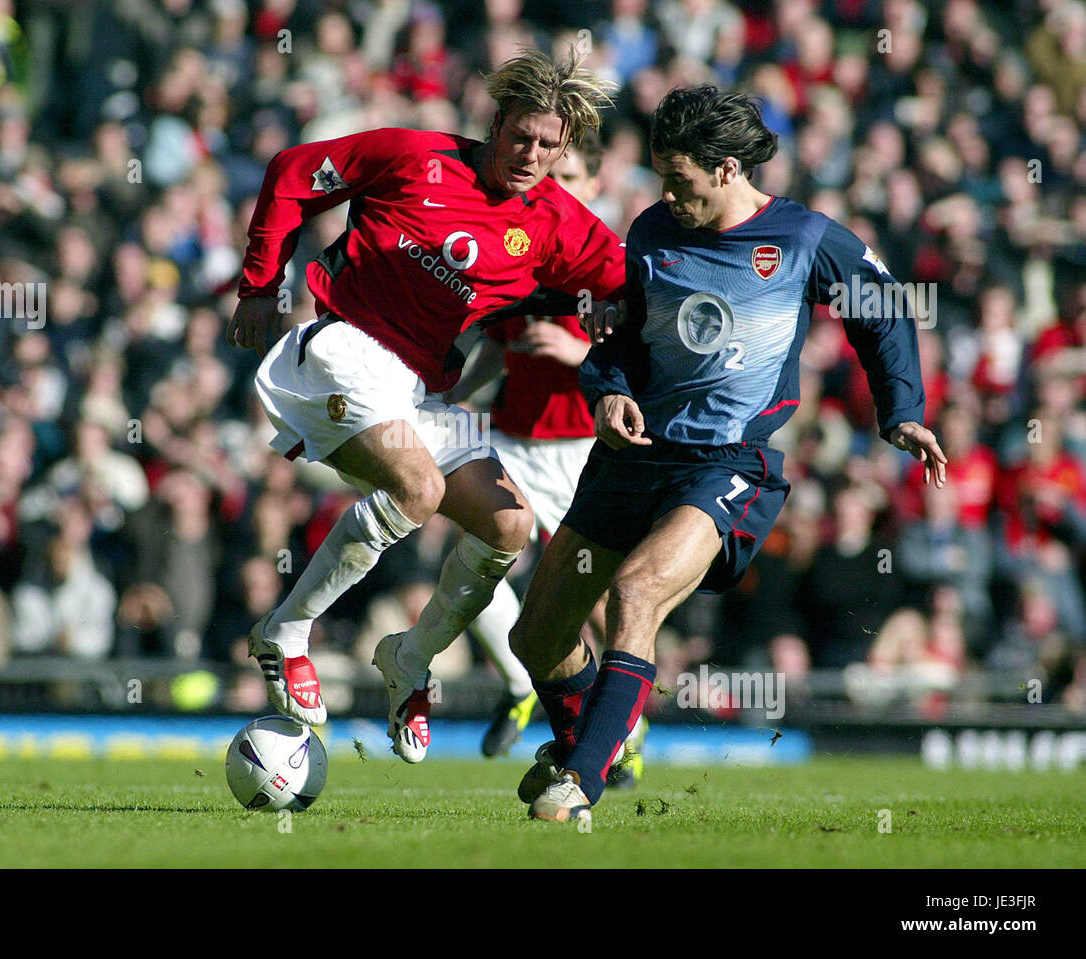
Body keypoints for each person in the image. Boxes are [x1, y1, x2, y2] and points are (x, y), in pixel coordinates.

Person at [510, 84, 948, 821]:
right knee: (538, 634)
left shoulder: (804, 238)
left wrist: (900, 412)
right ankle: (586, 742)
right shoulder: (653, 231)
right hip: (632, 454)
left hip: (727, 461)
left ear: (727, 169)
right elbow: (621, 336)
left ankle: (579, 783)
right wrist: (608, 390)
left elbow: (884, 310)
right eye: (661, 177)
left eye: (679, 180)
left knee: (637, 593)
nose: (667, 195)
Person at [225, 48, 625, 762]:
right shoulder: (415, 156)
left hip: (416, 388)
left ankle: (408, 659)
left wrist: (628, 311)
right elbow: (293, 172)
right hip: (345, 348)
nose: (532, 155)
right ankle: (284, 632)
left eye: (549, 145)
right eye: (521, 136)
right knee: (419, 488)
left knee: (508, 524)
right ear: (495, 123)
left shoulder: (555, 220)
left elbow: (627, 282)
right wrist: (259, 283)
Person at [447, 136, 646, 777]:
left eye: (570, 177)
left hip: (582, 448)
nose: (554, 187)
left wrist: (577, 355)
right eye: (549, 176)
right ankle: (518, 682)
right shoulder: (520, 247)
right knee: (472, 564)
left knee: (600, 600)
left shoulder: (612, 264)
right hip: (514, 439)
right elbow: (497, 345)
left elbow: (647, 357)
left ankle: (622, 732)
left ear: (595, 185)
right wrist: (450, 393)